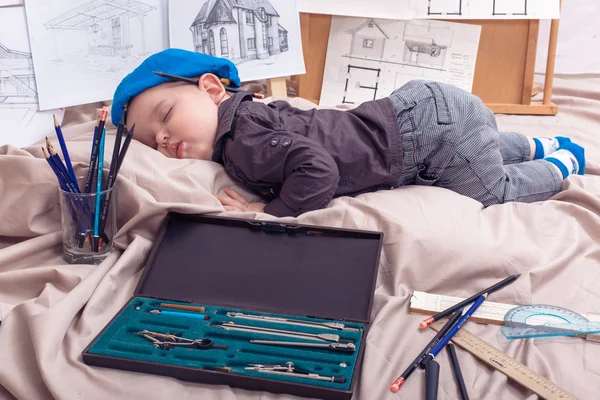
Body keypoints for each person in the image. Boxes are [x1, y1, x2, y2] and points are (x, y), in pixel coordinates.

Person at [111, 49, 586, 218]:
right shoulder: (252, 113)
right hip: (424, 121)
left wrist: (269, 211)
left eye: (166, 115)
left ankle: (563, 162)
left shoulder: (243, 139)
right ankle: (534, 143)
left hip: (422, 132)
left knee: (486, 191)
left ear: (212, 89)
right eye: (150, 142)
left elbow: (317, 172)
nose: (163, 140)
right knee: (462, 154)